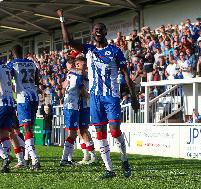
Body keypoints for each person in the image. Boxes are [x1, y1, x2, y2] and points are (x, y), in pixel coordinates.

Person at [57, 9, 139, 179]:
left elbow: (125, 74)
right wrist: (62, 19)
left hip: (111, 96)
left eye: (101, 29)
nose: (99, 32)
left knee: (115, 131)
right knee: (100, 133)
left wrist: (134, 96)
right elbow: (67, 41)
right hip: (94, 97)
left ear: (106, 32)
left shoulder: (115, 51)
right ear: (92, 33)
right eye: (96, 30)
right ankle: (109, 169)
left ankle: (124, 159)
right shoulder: (88, 49)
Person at [7, 45, 40, 170]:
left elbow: (8, 80)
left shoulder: (13, 64)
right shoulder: (31, 63)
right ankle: (26, 159)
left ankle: (35, 159)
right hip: (34, 96)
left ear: (12, 54)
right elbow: (37, 80)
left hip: (23, 98)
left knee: (26, 129)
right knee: (29, 129)